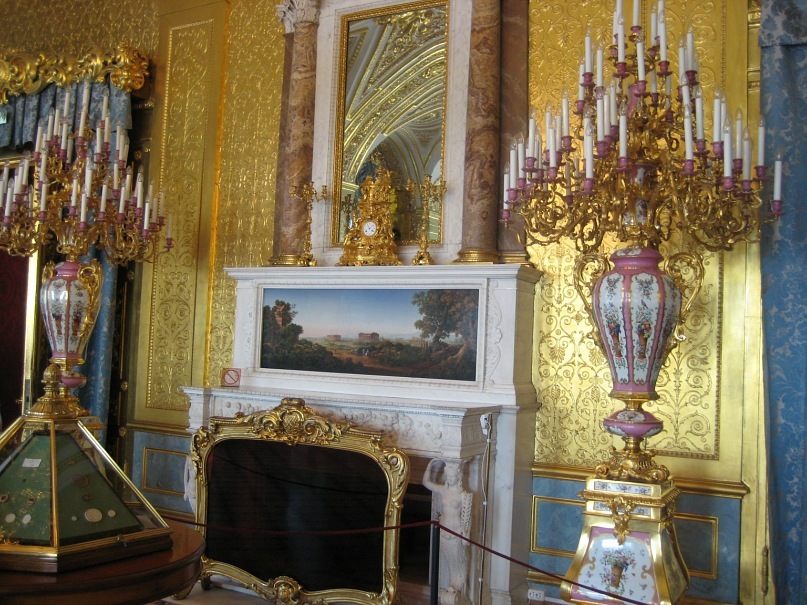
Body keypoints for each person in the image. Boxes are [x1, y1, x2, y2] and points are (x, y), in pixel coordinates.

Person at [423, 458, 473, 604]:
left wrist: (466, 534)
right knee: (449, 560)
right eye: (448, 477)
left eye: (453, 477)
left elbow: (467, 517)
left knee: (458, 559)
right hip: (443, 530)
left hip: (456, 532)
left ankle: (458, 586)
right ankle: (453, 584)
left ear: (458, 477)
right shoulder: (443, 490)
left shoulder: (463, 495)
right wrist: (430, 465)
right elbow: (426, 483)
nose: (450, 479)